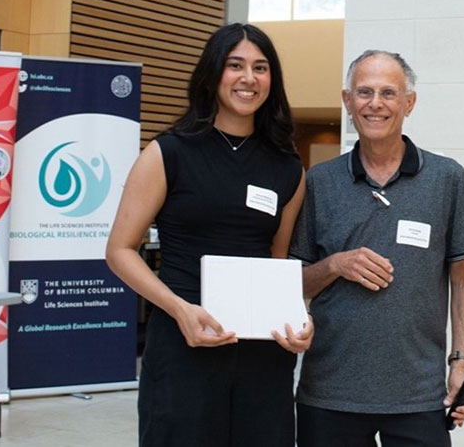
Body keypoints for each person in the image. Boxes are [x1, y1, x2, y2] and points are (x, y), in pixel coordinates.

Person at [106, 23, 313, 447]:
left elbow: (277, 263)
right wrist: (180, 309)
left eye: (260, 67)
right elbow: (119, 251)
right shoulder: (169, 152)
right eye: (235, 65)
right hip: (184, 340)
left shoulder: (289, 167)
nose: (248, 78)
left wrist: (297, 319)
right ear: (212, 73)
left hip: (261, 349)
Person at [290, 50, 464, 447]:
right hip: (329, 394)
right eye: (364, 92)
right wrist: (336, 265)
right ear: (347, 101)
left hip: (419, 396)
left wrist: (460, 362)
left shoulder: (447, 179)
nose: (375, 104)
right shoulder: (319, 182)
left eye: (388, 93)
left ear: (408, 103)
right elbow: (295, 283)